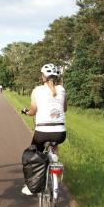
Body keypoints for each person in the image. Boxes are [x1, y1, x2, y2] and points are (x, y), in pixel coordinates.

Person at [21, 63, 67, 196]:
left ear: (43, 77)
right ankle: (54, 165)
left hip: (42, 132)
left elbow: (33, 111)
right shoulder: (62, 89)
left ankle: (31, 187)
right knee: (55, 143)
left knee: (34, 154)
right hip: (60, 133)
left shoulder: (37, 90)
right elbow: (64, 109)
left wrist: (26, 112)